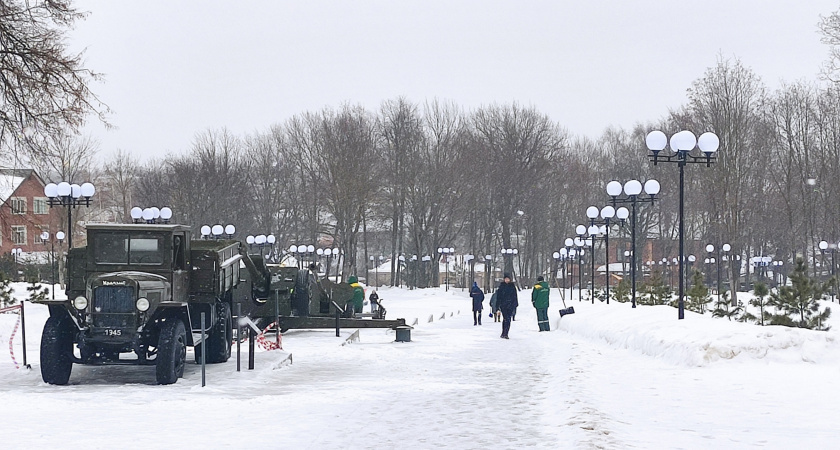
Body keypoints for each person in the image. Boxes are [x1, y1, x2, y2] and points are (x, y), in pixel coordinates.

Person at [496, 273, 518, 339]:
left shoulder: (512, 286)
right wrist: (498, 305)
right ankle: (504, 332)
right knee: (505, 318)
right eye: (506, 279)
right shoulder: (501, 286)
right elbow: (498, 296)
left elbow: (514, 296)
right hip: (503, 305)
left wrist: (515, 304)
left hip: (510, 305)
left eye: (508, 279)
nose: (507, 280)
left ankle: (506, 333)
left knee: (508, 319)